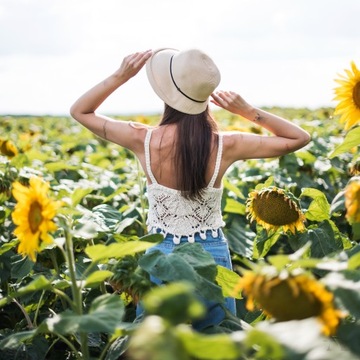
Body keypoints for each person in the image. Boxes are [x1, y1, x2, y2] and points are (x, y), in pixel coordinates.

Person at [70, 48, 311, 330]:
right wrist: (247, 111)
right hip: (211, 252)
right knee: (218, 340)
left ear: (166, 94)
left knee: (157, 344)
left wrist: (120, 76)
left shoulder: (142, 138)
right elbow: (299, 138)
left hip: (160, 254)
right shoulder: (225, 144)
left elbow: (80, 111)